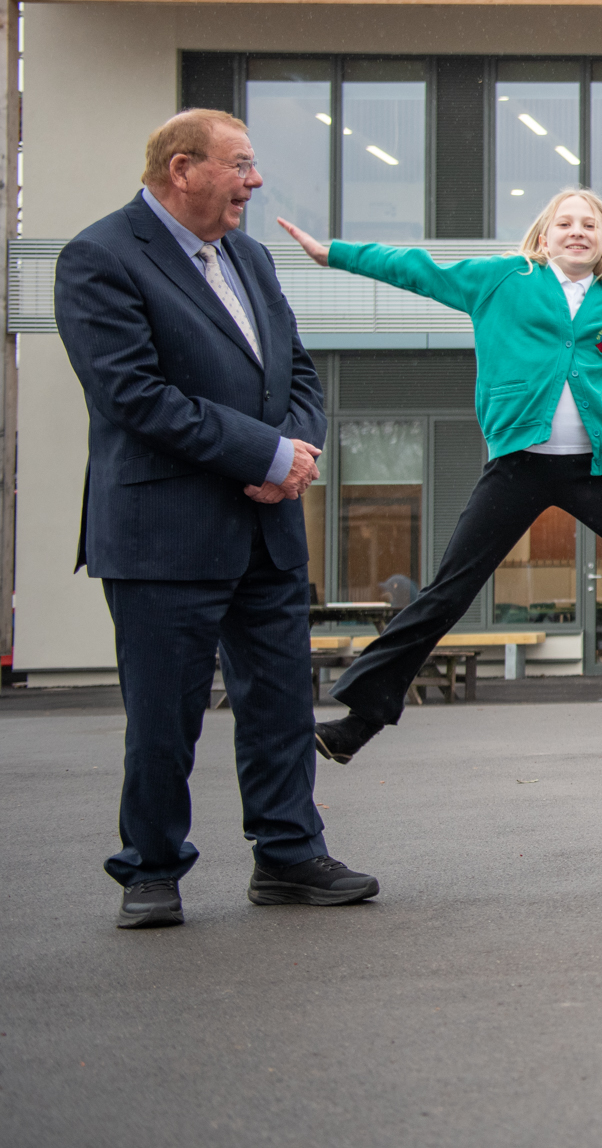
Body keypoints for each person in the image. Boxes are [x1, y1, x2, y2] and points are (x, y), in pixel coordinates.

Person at [285, 188, 602, 763]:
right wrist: (333, 253)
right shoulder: (501, 281)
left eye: (590, 225)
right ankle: (358, 723)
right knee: (446, 592)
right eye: (565, 223)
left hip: (592, 472)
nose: (577, 231)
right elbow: (417, 269)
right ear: (543, 237)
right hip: (517, 468)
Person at [56, 109, 378, 928]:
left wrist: (295, 453)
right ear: (182, 168)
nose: (256, 180)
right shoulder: (98, 257)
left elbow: (296, 371)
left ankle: (288, 855)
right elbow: (133, 395)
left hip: (267, 530)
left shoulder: (251, 257)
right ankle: (151, 869)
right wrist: (265, 458)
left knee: (279, 706)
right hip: (164, 536)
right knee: (164, 718)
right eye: (241, 164)